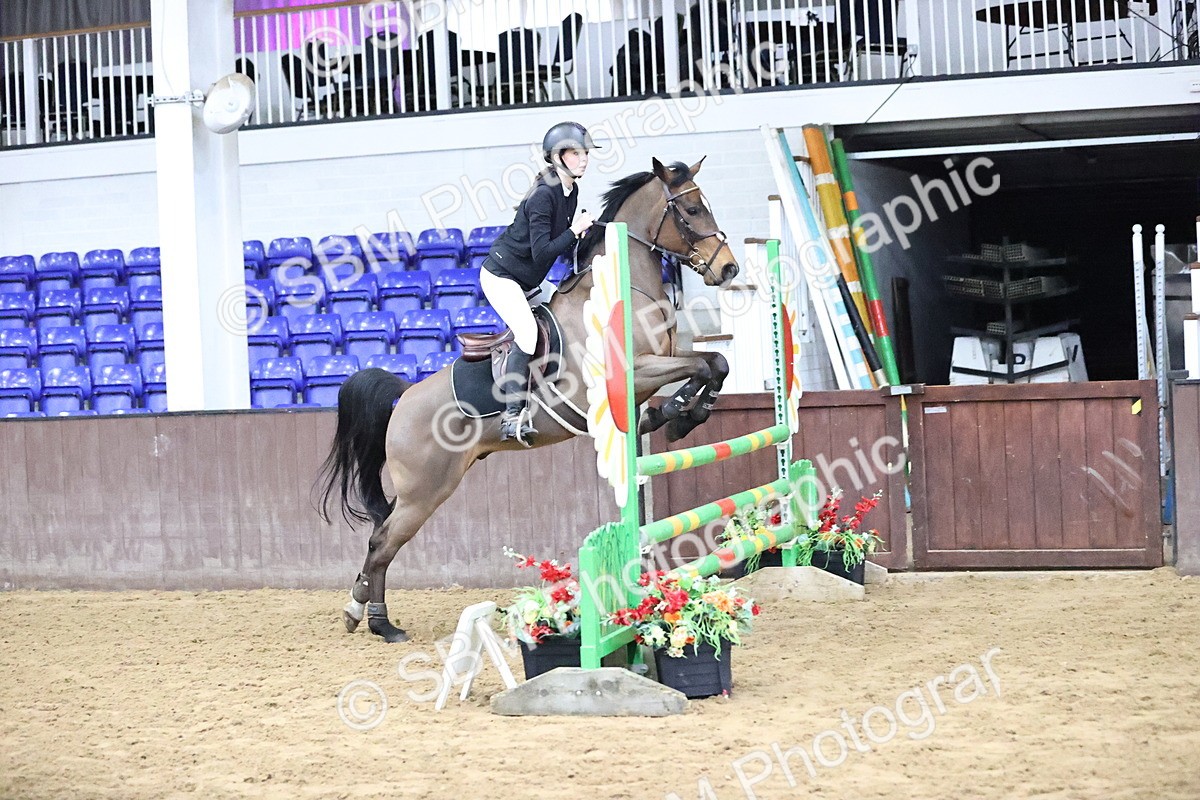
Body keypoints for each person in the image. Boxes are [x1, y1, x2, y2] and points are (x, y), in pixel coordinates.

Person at [480, 121, 597, 446]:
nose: (584, 158)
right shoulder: (544, 195)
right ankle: (512, 415)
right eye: (576, 153)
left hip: (529, 278)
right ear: (558, 157)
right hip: (502, 277)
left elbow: (557, 248)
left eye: (585, 152)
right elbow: (543, 250)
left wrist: (582, 235)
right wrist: (574, 232)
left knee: (563, 315)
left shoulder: (571, 191)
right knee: (529, 334)